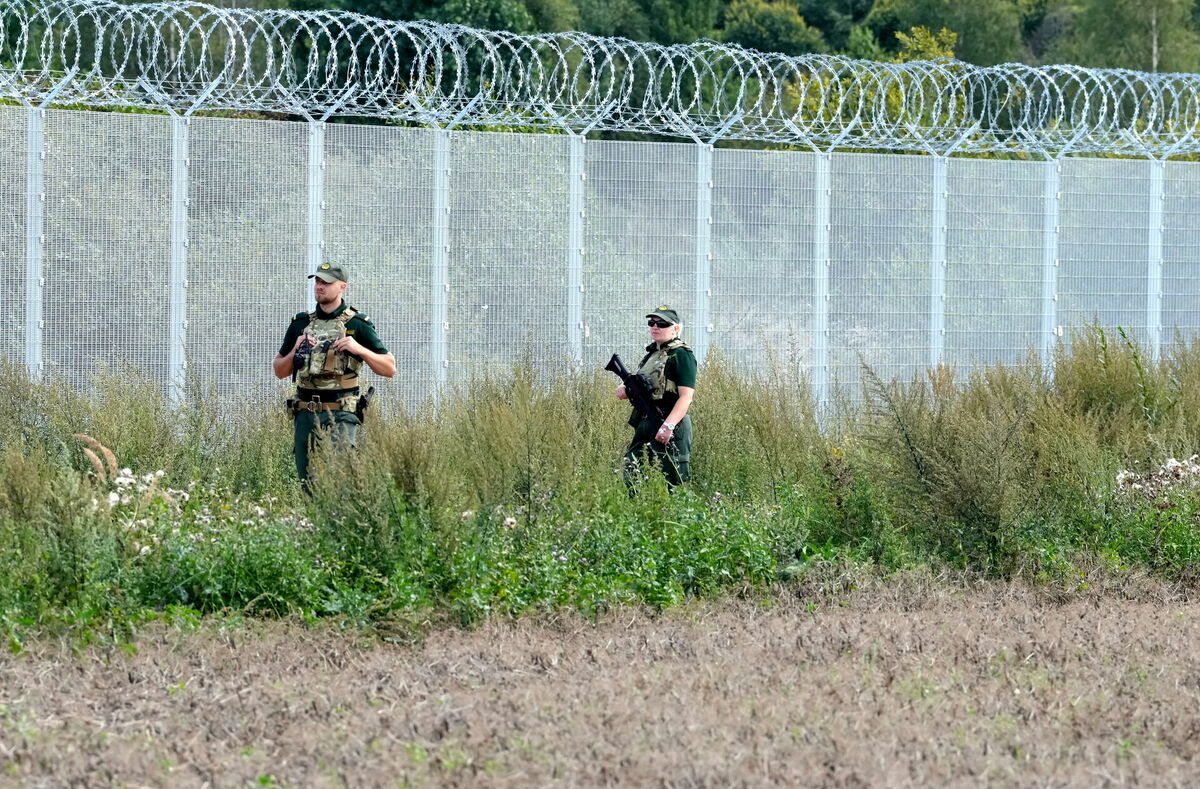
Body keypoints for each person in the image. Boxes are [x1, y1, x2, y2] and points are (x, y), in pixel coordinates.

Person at [273, 263, 396, 490]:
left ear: (342, 287)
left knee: (342, 481)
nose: (319, 287)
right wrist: (295, 349)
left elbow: (389, 368)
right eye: (317, 281)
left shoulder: (358, 324)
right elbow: (279, 370)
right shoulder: (301, 324)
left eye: (326, 283)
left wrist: (359, 349)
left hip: (341, 413)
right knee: (308, 485)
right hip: (305, 414)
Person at [616, 306, 697, 487]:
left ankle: (678, 515)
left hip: (670, 423)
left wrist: (668, 426)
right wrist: (625, 387)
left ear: (675, 328)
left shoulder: (682, 355)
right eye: (651, 323)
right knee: (632, 475)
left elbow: (686, 397)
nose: (655, 327)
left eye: (662, 324)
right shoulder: (653, 354)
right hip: (646, 422)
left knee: (675, 482)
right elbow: (640, 381)